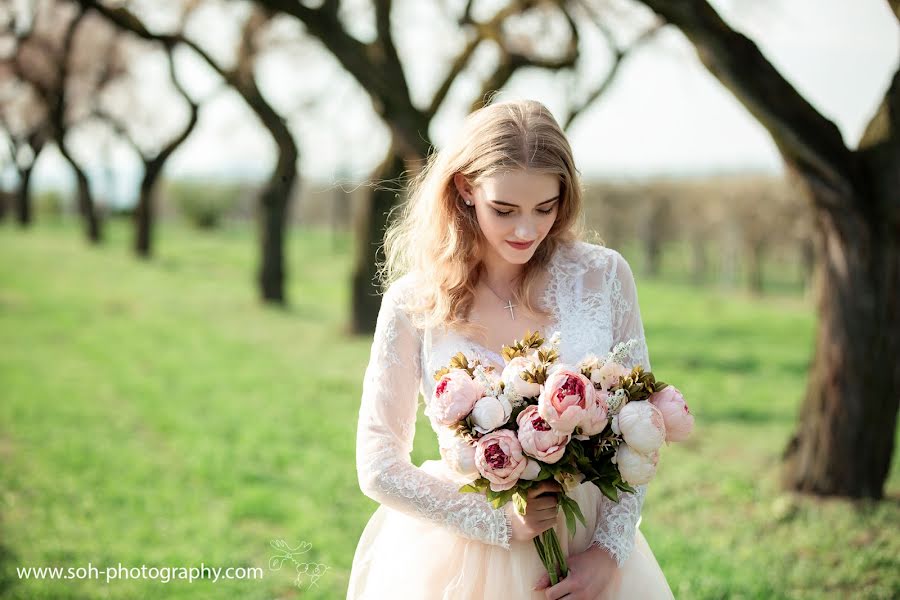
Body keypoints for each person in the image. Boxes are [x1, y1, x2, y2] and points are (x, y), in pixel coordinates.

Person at [347, 99, 674, 599]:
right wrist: (497, 520)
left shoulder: (603, 276)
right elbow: (378, 464)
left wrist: (608, 556)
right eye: (504, 209)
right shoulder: (414, 301)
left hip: (586, 553)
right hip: (460, 562)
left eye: (545, 208)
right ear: (465, 189)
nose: (527, 230)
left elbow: (641, 431)